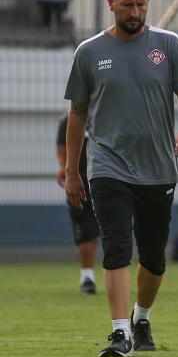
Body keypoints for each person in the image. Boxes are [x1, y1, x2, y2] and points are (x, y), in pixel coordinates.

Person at [64, 0, 178, 357]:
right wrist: (74, 172)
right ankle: (120, 332)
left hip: (158, 168)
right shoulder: (88, 52)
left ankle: (141, 318)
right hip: (107, 165)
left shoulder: (169, 45)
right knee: (118, 247)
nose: (135, 11)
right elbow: (77, 113)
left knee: (154, 257)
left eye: (141, 4)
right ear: (111, 3)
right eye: (127, 5)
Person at [56, 115, 100, 295]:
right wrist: (64, 168)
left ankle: (118, 274)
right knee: (85, 230)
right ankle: (87, 277)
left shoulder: (110, 114)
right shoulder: (68, 121)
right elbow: (61, 147)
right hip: (80, 182)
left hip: (110, 180)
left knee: (116, 229)